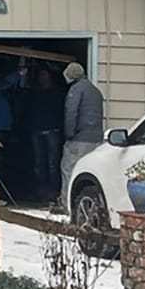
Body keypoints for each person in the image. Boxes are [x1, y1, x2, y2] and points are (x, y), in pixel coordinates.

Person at [20, 63, 68, 206]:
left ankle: (53, 193)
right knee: (39, 164)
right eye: (40, 76)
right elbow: (28, 111)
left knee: (53, 163)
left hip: (53, 131)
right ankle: (41, 193)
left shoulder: (57, 93)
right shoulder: (34, 93)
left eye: (45, 75)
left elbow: (63, 112)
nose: (42, 78)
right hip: (37, 131)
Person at [61, 61, 105, 210]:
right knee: (89, 171)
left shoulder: (76, 90)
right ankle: (86, 203)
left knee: (69, 169)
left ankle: (67, 203)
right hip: (96, 139)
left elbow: (71, 113)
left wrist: (69, 134)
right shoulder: (95, 91)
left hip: (79, 139)